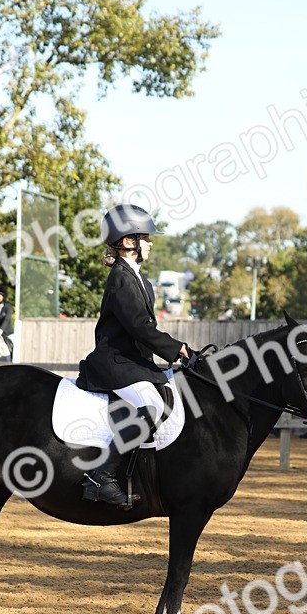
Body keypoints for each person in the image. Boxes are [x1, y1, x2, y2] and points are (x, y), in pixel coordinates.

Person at [77, 204, 192, 508]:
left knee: (167, 396)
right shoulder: (120, 278)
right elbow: (140, 327)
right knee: (152, 406)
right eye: (145, 237)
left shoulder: (139, 278)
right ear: (129, 242)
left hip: (134, 361)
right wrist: (175, 348)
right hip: (114, 362)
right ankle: (101, 477)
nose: (150, 243)